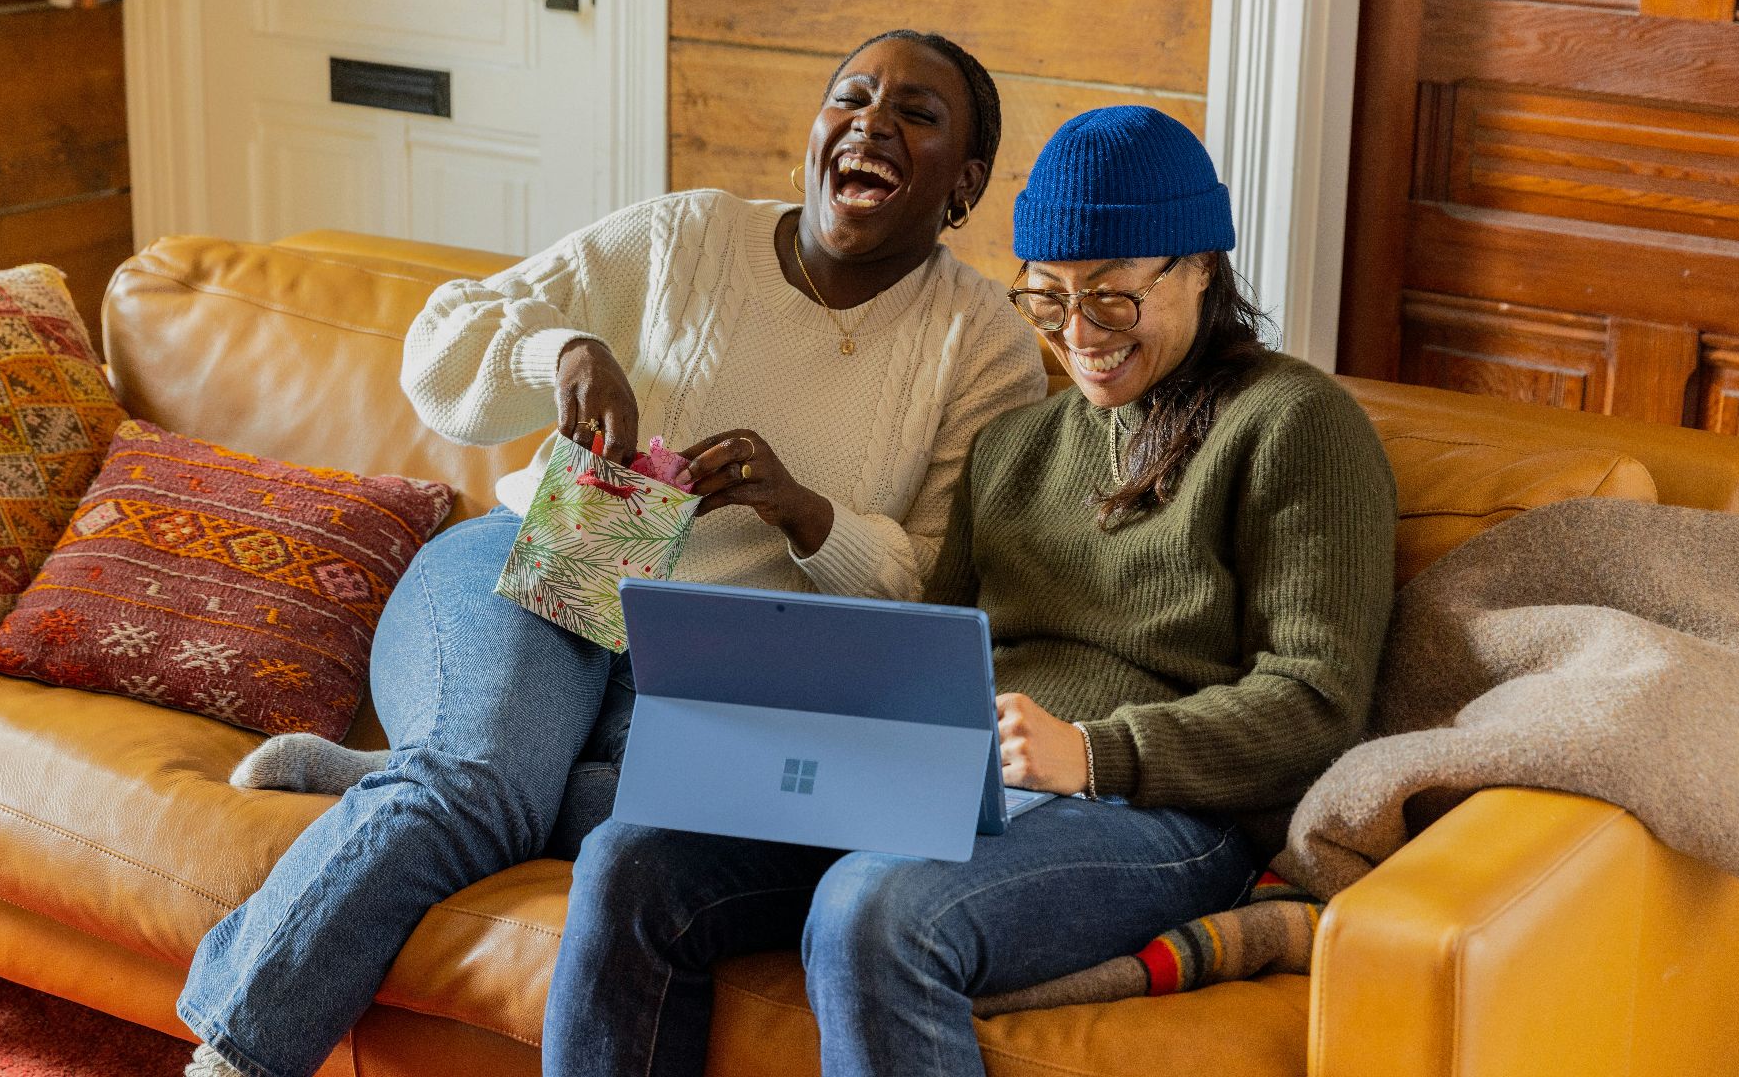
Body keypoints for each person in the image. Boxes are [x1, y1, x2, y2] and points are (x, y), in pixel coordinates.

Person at [175, 30, 1047, 1077]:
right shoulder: (691, 237)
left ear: (966, 181)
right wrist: (565, 350)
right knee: (480, 786)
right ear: (813, 138)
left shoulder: (983, 340)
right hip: (548, 560)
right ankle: (236, 1050)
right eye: (851, 98)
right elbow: (441, 341)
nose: (872, 122)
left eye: (916, 114)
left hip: (721, 661)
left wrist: (806, 513)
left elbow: (935, 583)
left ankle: (414, 773)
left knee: (719, 809)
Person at [543, 105, 1398, 1077]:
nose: (1078, 335)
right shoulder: (1017, 445)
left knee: (876, 911)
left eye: (1111, 299)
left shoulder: (1296, 425)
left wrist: (1097, 754)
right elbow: (931, 643)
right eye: (1048, 298)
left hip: (1158, 812)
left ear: (1201, 265)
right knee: (631, 858)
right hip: (952, 784)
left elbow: (1318, 700)